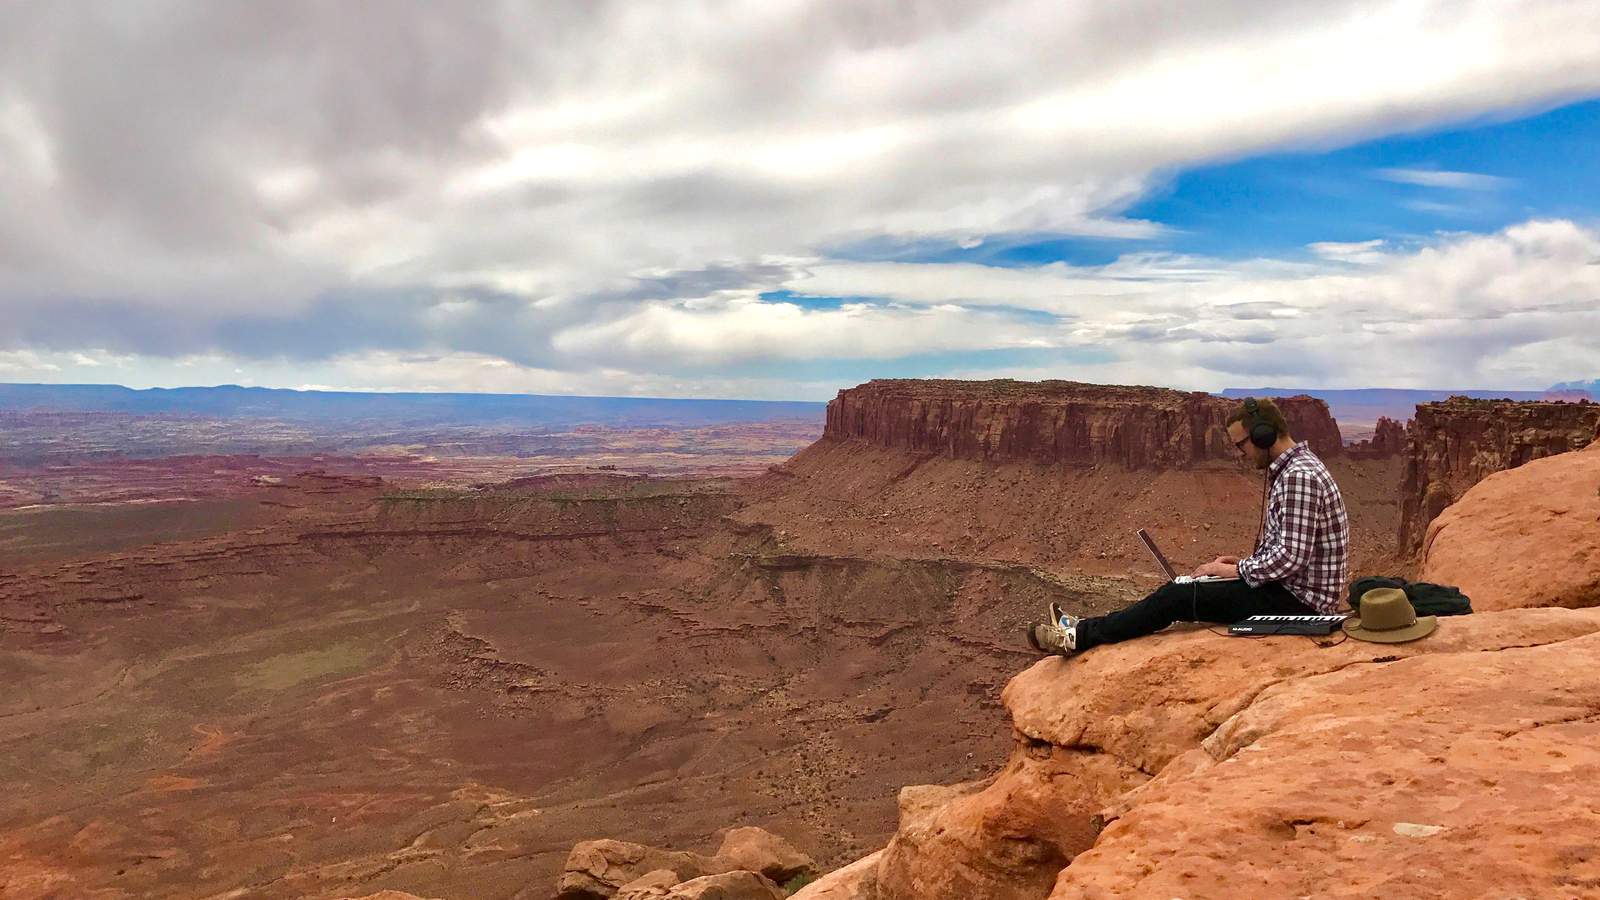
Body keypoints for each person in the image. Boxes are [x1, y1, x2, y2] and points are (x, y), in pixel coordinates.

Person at [1027, 397, 1350, 656]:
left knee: (1178, 596)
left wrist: (1234, 573)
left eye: (1242, 445)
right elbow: (1290, 552)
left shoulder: (1298, 478)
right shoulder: (1297, 469)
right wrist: (1241, 566)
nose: (1240, 454)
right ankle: (1081, 627)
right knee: (1187, 586)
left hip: (1299, 603)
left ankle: (1077, 637)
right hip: (1290, 590)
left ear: (1264, 435)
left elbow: (1290, 558)